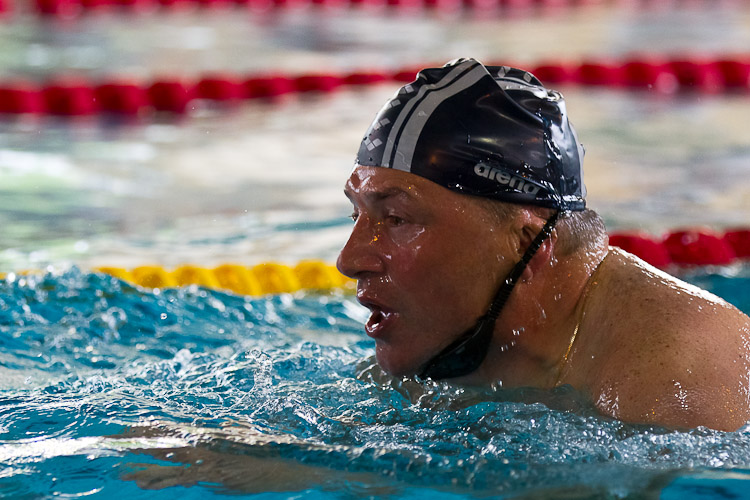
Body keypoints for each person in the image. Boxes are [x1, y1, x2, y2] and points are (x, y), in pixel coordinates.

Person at [336, 58, 750, 432]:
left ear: (526, 242)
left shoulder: (676, 378)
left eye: (397, 219)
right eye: (358, 215)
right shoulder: (450, 342)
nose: (349, 260)